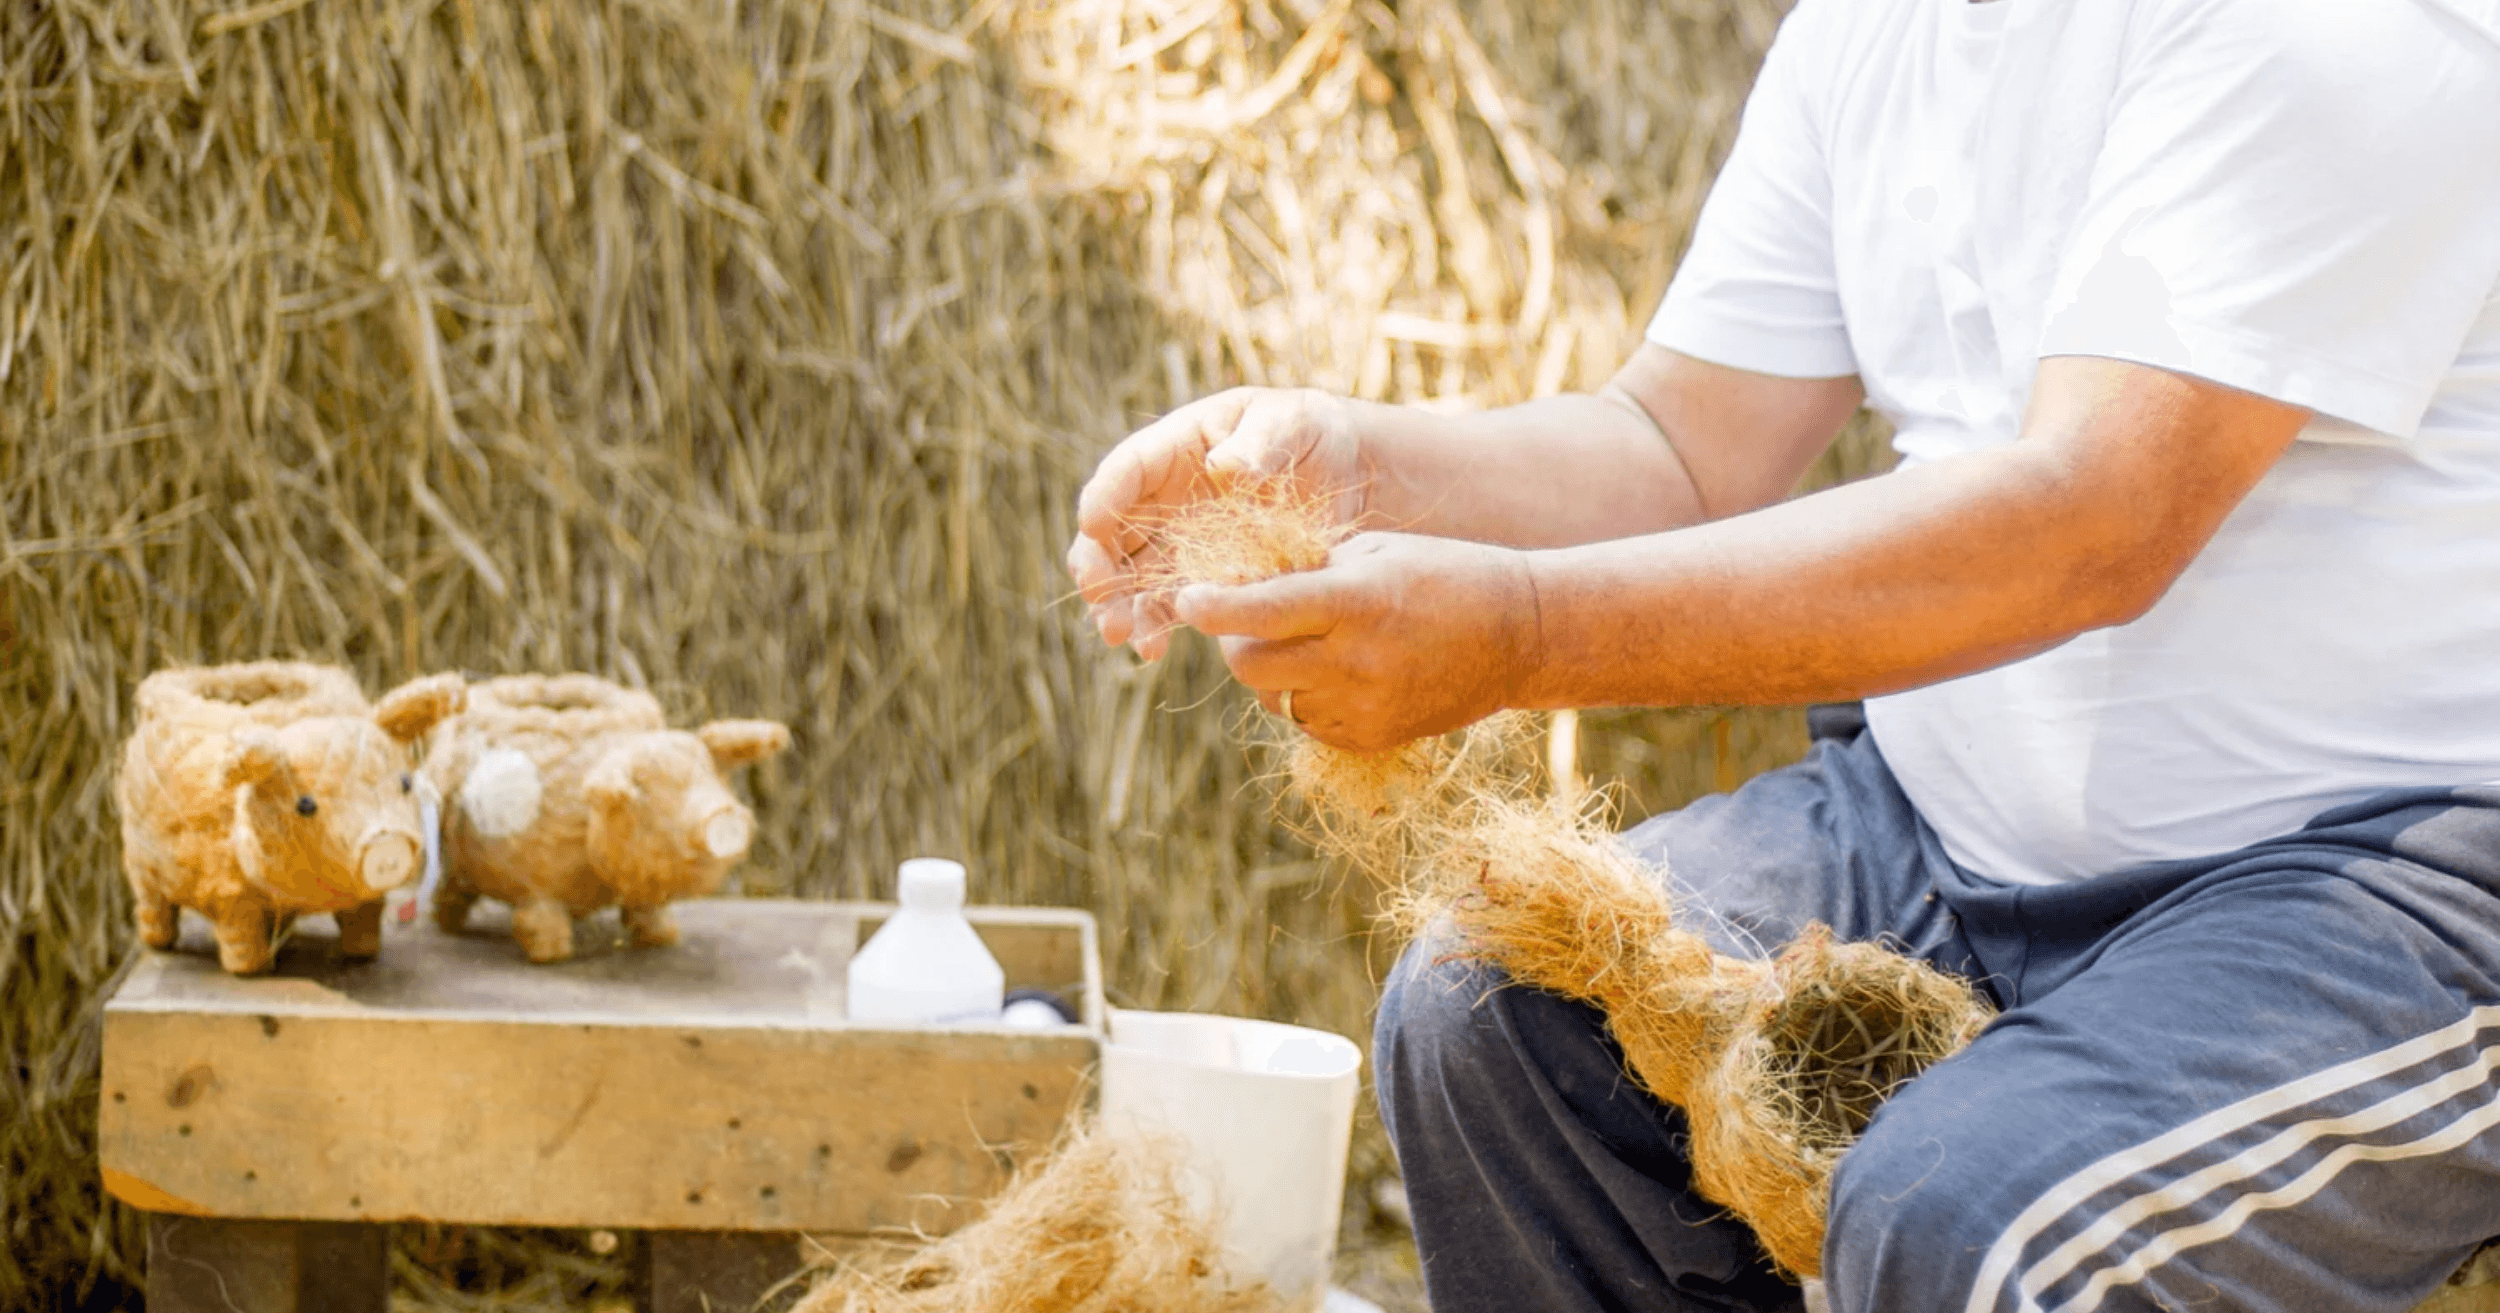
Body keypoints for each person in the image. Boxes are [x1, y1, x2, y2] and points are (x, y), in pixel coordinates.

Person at [1067, 0, 2500, 1308]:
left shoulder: (2328, 29)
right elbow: (1681, 447)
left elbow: (2091, 524)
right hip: (1942, 830)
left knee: (1980, 1224)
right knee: (1493, 1014)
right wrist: (1355, 463)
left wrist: (1520, 634)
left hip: (2386, 878)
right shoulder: (1872, 32)